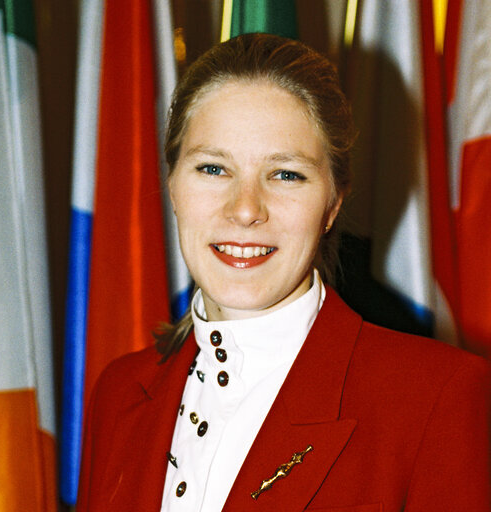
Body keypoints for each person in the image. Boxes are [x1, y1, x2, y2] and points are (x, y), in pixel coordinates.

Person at [76, 33, 491, 512]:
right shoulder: (120, 392)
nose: (246, 209)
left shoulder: (435, 397)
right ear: (172, 186)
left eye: (286, 174)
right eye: (213, 169)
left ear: (332, 203)